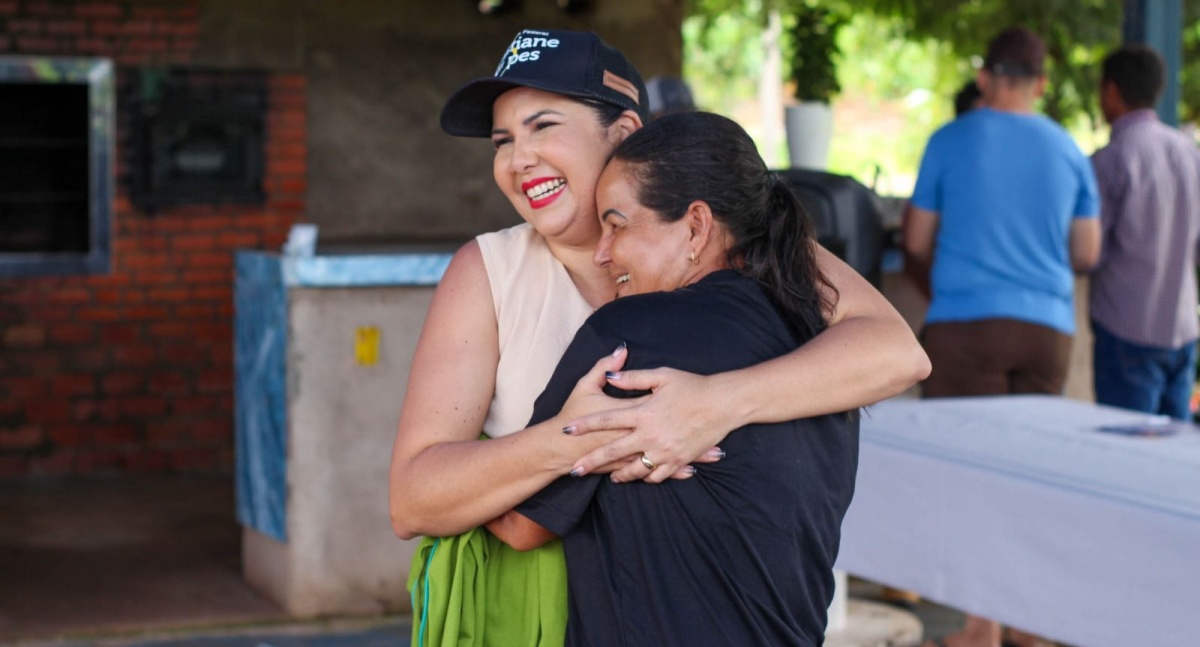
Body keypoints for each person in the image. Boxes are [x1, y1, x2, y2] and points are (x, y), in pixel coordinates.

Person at [390, 28, 930, 646]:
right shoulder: (489, 271)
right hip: (531, 612)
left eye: (543, 127)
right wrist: (572, 441)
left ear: (622, 135)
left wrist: (712, 403)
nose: (519, 159)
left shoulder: (746, 243)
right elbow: (413, 500)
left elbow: (896, 351)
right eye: (503, 141)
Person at [489, 110, 858, 646]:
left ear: (696, 226)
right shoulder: (819, 346)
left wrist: (472, 445)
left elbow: (521, 526)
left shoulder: (629, 335)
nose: (602, 251)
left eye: (617, 224)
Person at [903, 27, 1100, 647]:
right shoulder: (1069, 149)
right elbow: (1087, 252)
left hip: (964, 327)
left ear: (986, 77)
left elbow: (913, 241)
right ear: (1041, 84)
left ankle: (979, 626)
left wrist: (953, 293)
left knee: (967, 476)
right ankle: (1030, 624)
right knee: (1032, 473)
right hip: (1047, 331)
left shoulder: (949, 140)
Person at [1089, 44, 1200, 421]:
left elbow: (1092, 251)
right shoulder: (1190, 152)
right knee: (1174, 461)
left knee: (1127, 457)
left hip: (1127, 328)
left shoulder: (1112, 159)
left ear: (1111, 90)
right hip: (1183, 327)